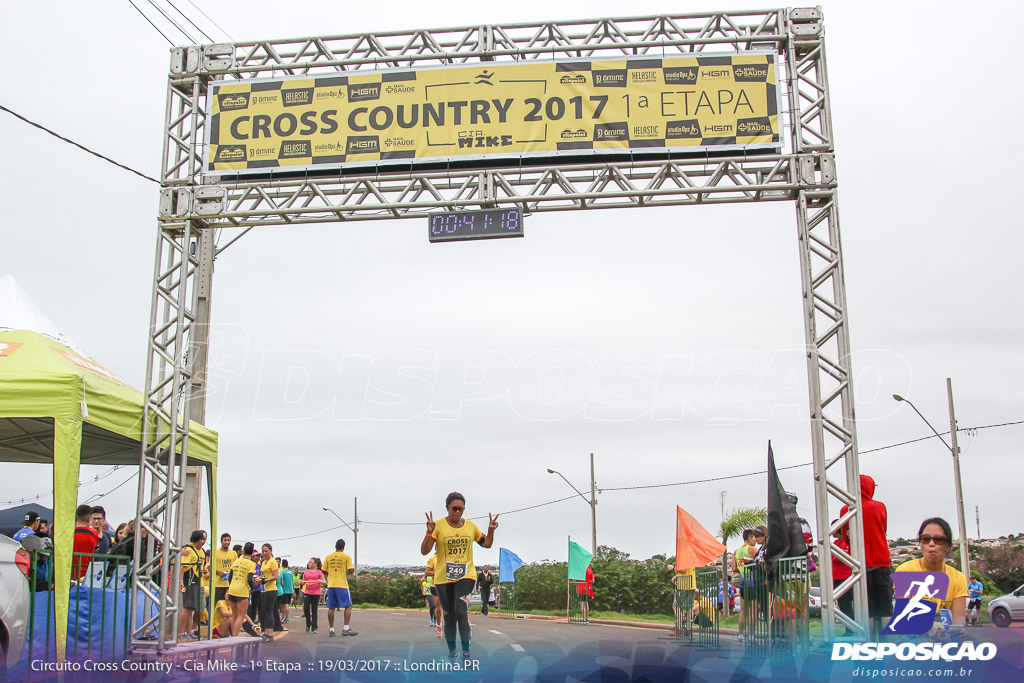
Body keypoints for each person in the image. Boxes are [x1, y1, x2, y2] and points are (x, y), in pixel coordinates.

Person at [421, 492, 498, 663]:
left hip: (466, 575)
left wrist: (490, 531)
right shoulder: (438, 526)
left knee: (461, 611)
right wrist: (429, 532)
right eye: (454, 508)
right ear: (447, 508)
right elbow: (425, 551)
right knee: (449, 617)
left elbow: (486, 544)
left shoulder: (470, 526)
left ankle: (466, 654)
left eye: (461, 509)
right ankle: (452, 652)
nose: (457, 512)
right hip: (443, 578)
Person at [894, 517, 969, 631]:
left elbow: (959, 620)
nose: (931, 544)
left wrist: (956, 633)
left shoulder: (958, 578)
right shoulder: (905, 571)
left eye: (938, 539)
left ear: (949, 546)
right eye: (926, 539)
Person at [840, 474, 891, 639]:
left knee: (866, 608)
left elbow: (846, 537)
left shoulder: (846, 509)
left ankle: (868, 643)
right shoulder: (880, 507)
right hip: (881, 560)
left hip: (859, 564)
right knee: (885, 608)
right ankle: (887, 645)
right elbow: (883, 529)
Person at [324, 539, 357, 637]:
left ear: (335, 546)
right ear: (343, 547)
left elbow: (323, 570)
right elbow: (351, 570)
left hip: (331, 585)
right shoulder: (346, 557)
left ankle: (331, 630)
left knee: (331, 607)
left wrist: (330, 573)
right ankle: (346, 628)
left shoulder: (328, 557)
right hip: (342, 585)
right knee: (348, 606)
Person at [180, 530, 209, 639]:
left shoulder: (202, 551)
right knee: (188, 608)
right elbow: (182, 566)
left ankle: (192, 631)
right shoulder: (188, 550)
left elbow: (202, 566)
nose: (204, 541)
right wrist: (181, 582)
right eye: (202, 539)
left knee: (199, 608)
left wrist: (204, 570)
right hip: (190, 582)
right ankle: (180, 633)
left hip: (199, 583)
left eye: (205, 539)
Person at [226, 542, 257, 637]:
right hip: (242, 591)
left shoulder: (236, 561)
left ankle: (232, 636)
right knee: (241, 615)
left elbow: (230, 576)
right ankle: (235, 637)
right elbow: (249, 578)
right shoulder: (251, 564)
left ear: (243, 551)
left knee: (234, 615)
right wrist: (252, 588)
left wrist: (230, 586)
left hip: (232, 589)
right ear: (252, 552)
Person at [733, 529, 757, 641]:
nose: (756, 540)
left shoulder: (736, 551)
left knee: (743, 611)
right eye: (754, 538)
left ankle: (741, 635)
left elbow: (734, 568)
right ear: (750, 538)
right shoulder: (752, 549)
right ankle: (752, 636)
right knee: (753, 611)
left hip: (743, 582)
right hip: (753, 582)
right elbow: (761, 561)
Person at [258, 544, 280, 642]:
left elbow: (276, 576)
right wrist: (259, 579)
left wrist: (265, 580)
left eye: (266, 551)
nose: (264, 553)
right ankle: (266, 632)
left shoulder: (273, 562)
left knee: (269, 611)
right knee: (265, 612)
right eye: (263, 551)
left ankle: (269, 633)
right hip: (264, 589)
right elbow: (262, 575)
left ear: (271, 551)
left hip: (271, 590)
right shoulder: (263, 562)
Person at [72, 503, 99, 580]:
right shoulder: (94, 532)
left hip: (71, 572)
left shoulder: (70, 533)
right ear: (89, 519)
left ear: (76, 517)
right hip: (87, 574)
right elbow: (95, 552)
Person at [300, 557, 326, 633]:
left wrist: (320, 581)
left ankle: (314, 627)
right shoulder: (306, 572)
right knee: (306, 608)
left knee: (314, 609)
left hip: (316, 593)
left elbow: (324, 582)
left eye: (311, 562)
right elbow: (303, 581)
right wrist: (301, 582)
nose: (309, 564)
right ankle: (308, 623)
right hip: (307, 592)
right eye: (309, 562)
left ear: (315, 564)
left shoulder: (319, 572)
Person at [212, 533, 236, 603]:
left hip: (229, 584)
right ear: (221, 541)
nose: (227, 542)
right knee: (217, 605)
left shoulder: (233, 553)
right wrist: (219, 572)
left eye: (228, 540)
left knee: (229, 605)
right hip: (218, 584)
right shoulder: (215, 552)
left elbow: (236, 567)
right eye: (225, 540)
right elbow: (209, 567)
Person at [425, 554, 443, 637]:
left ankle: (449, 627)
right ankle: (438, 625)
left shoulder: (451, 557)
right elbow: (427, 573)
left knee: (449, 608)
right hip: (435, 585)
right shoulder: (432, 559)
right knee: (437, 607)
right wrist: (439, 572)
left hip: (448, 584)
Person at [278, 559, 294, 625]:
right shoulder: (290, 572)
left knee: (285, 605)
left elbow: (281, 582)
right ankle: (283, 618)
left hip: (284, 590)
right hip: (290, 590)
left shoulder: (282, 573)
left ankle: (286, 618)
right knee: (284, 604)